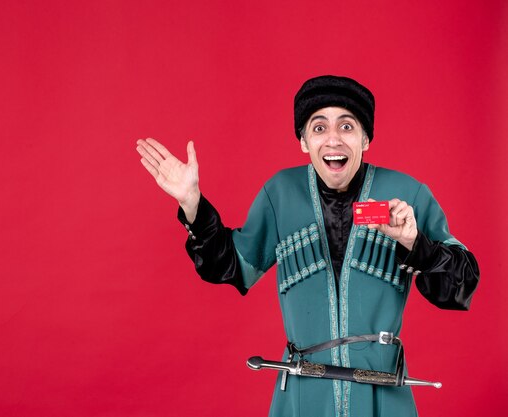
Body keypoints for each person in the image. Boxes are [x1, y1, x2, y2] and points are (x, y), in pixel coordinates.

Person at [135, 75, 479, 417]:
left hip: (383, 394)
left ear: (366, 138)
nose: (333, 139)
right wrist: (193, 205)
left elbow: (459, 287)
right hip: (302, 396)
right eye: (318, 128)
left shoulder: (408, 194)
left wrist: (415, 244)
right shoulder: (280, 194)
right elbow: (231, 268)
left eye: (347, 127)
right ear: (303, 141)